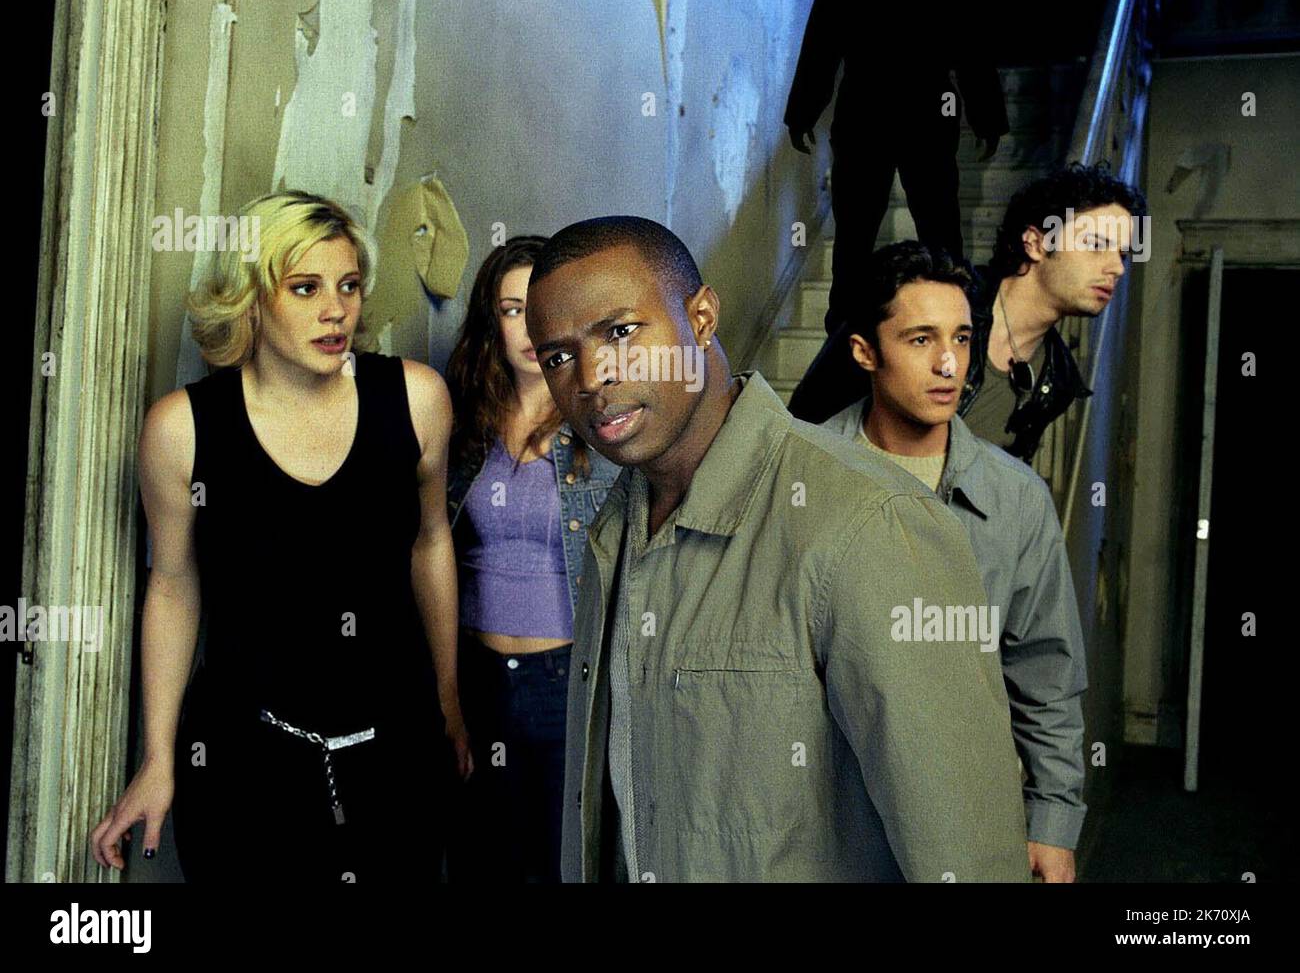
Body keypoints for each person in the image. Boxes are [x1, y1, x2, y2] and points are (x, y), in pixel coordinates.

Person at [524, 215, 1029, 882]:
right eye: (559, 357)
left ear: (701, 317)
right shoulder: (611, 532)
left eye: (620, 332)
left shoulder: (868, 522)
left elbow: (966, 854)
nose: (591, 377)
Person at [89, 192, 465, 882]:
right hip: (243, 767)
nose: (337, 309)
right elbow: (173, 584)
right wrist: (159, 757)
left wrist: (448, 700)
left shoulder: (416, 399)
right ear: (251, 301)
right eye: (305, 288)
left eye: (349, 285)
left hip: (396, 758)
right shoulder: (182, 429)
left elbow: (431, 542)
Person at [819, 241, 1088, 882]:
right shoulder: (803, 480)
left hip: (967, 819)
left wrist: (1052, 820)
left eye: (962, 339)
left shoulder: (1015, 499)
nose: (949, 363)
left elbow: (1045, 671)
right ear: (864, 351)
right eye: (921, 339)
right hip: (833, 822)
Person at [443, 236, 619, 883]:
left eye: (540, 307)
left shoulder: (603, 421)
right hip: (476, 675)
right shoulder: (462, 422)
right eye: (512, 309)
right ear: (492, 320)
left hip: (564, 676)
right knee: (478, 861)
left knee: (561, 861)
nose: (527, 326)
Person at [789, 161, 1148, 461]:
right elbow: (809, 413)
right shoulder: (924, 300)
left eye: (1123, 254)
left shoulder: (1057, 380)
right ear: (1036, 244)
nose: (1117, 268)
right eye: (1096, 245)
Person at [785, 0, 1007, 335]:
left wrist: (987, 116)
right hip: (862, 118)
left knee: (940, 230)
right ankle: (844, 332)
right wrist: (802, 112)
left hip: (929, 117)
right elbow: (821, 47)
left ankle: (953, 319)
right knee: (854, 233)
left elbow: (971, 50)